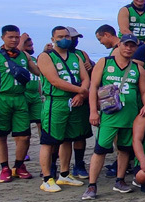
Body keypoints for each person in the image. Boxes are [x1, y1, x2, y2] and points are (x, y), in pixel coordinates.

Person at [82, 34, 145, 200]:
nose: (128, 48)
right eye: (126, 45)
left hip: (130, 116)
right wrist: (93, 111)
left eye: (132, 46)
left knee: (125, 149)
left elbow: (144, 91)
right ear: (119, 45)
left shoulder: (137, 68)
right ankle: (92, 185)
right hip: (110, 115)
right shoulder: (104, 62)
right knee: (100, 149)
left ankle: (120, 180)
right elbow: (93, 88)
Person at [35, 26, 91, 192]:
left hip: (74, 101)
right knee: (49, 141)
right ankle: (47, 178)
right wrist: (80, 90)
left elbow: (85, 78)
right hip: (56, 101)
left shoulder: (75, 56)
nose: (65, 39)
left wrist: (81, 95)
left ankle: (64, 174)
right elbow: (55, 81)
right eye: (60, 36)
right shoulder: (46, 57)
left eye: (67, 36)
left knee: (68, 138)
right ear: (53, 39)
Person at [0, 25, 41, 183]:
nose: (14, 40)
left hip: (20, 98)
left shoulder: (24, 55)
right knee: (1, 135)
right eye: (11, 37)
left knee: (24, 135)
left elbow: (38, 71)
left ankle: (19, 165)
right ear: (3, 38)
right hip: (1, 98)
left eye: (16, 37)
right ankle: (4, 168)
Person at [64, 26, 96, 179]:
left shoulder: (81, 54)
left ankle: (79, 164)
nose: (75, 41)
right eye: (72, 38)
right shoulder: (53, 55)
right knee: (60, 137)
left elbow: (92, 76)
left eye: (77, 38)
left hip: (82, 97)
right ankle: (56, 167)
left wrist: (91, 67)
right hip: (62, 98)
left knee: (80, 135)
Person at [20, 33, 43, 136]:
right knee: (24, 126)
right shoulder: (19, 58)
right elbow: (16, 52)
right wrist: (22, 39)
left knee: (41, 122)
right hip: (24, 94)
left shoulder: (32, 59)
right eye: (29, 46)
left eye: (32, 45)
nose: (32, 48)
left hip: (35, 95)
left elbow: (38, 76)